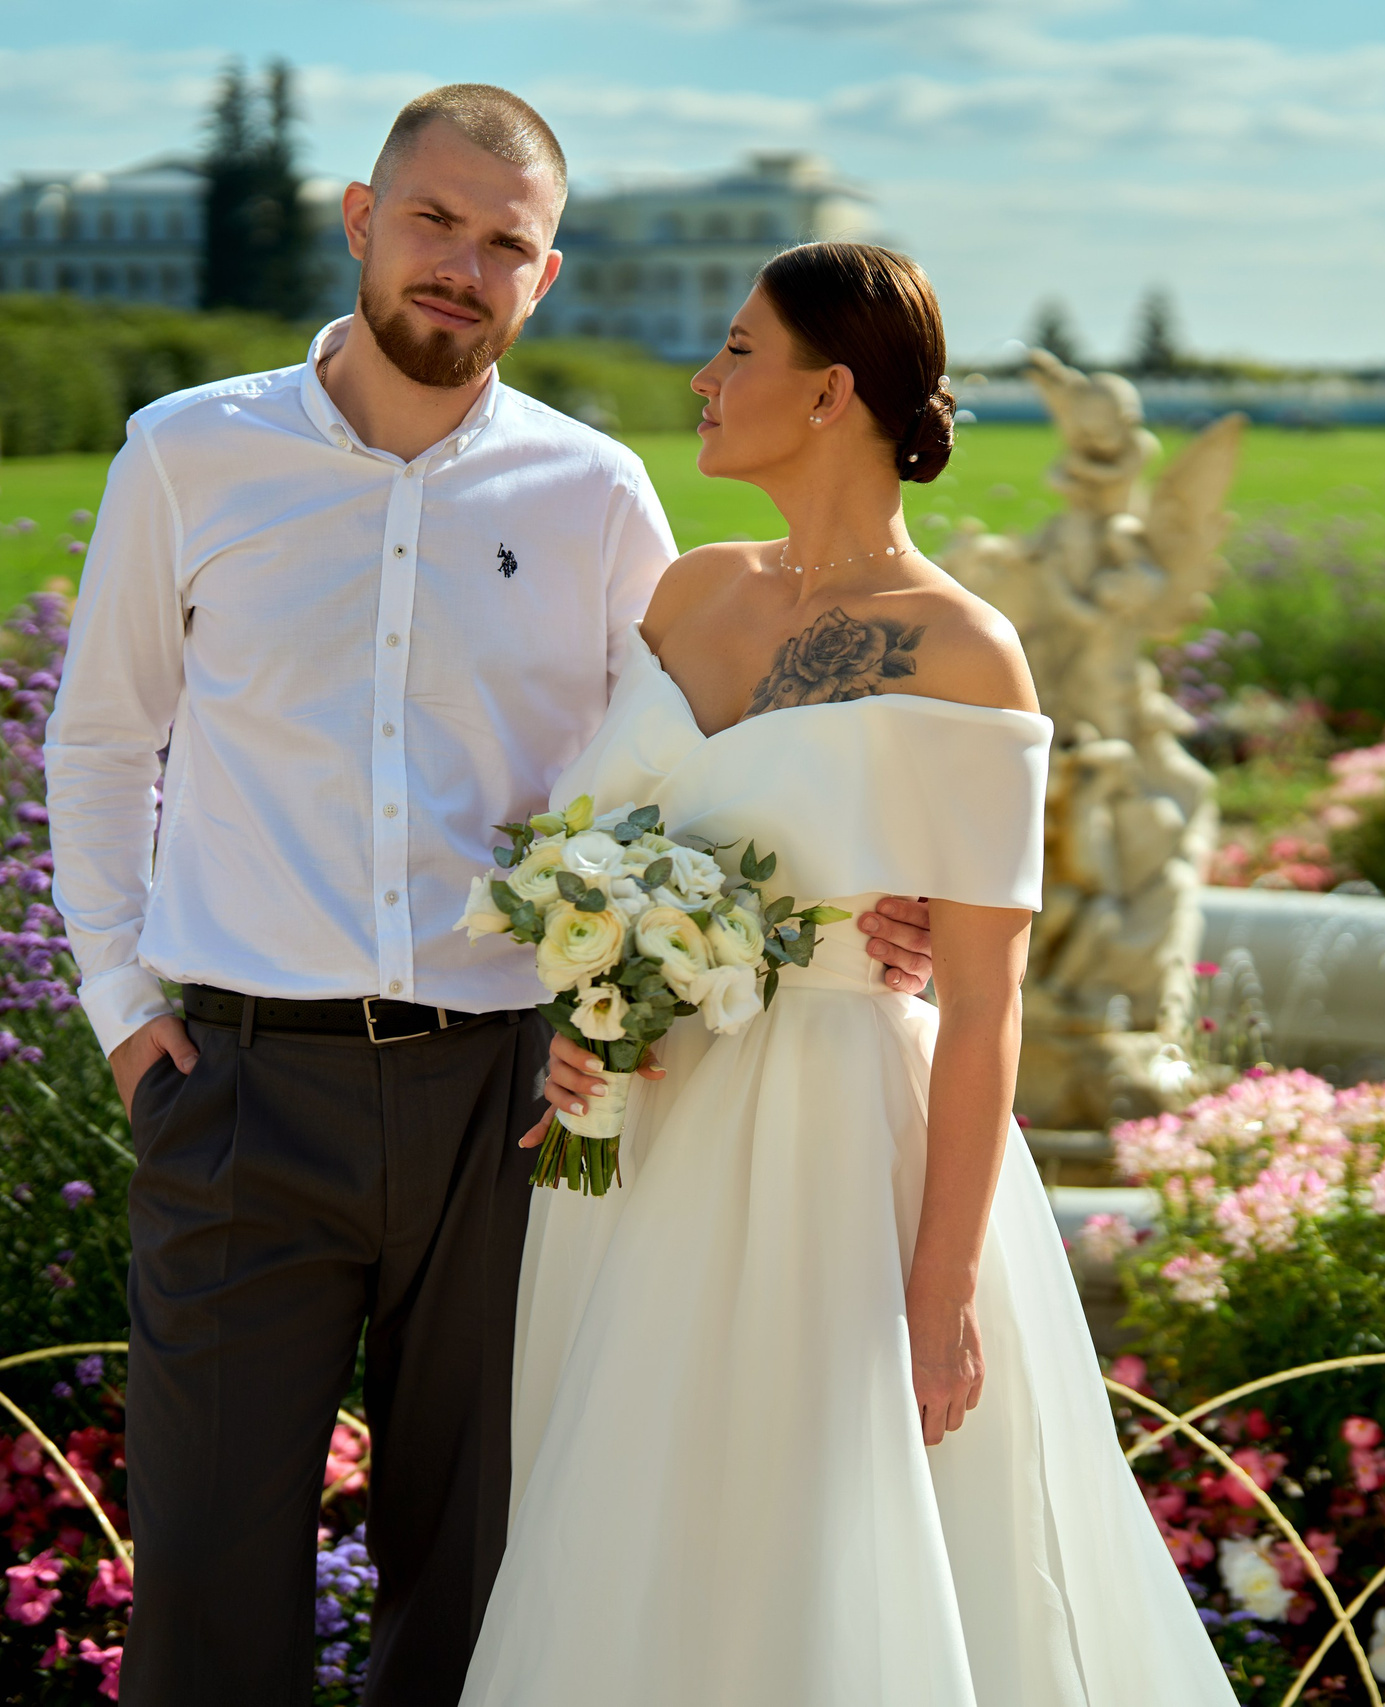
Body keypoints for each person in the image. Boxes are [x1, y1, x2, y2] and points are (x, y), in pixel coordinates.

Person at [42, 87, 934, 1707]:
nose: (462, 264)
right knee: (201, 1573)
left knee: (480, 1575)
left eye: (504, 242)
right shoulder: (187, 455)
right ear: (360, 218)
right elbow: (105, 740)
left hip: (517, 1107)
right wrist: (123, 1008)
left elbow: (692, 775)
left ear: (548, 275)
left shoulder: (595, 495)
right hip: (243, 1087)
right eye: (435, 221)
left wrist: (865, 903)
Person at [463, 244, 1236, 1705]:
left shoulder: (963, 651)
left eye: (738, 352)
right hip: (636, 1149)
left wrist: (938, 1294)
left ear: (830, 393)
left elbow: (989, 1003)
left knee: (811, 1544)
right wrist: (585, 1017)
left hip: (831, 1150)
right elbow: (609, 844)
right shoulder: (685, 596)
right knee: (630, 1545)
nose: (705, 379)